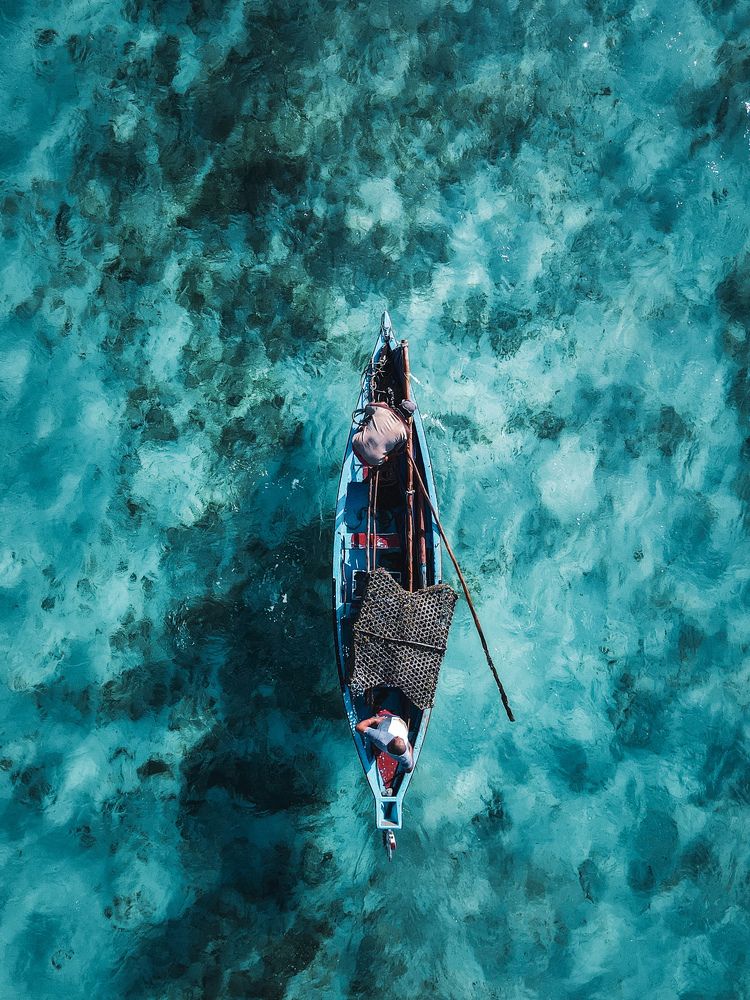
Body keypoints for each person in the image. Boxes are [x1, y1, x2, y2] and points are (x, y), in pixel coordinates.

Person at [352, 399, 416, 468]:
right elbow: (396, 450)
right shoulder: (406, 433)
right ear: (409, 416)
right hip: (371, 462)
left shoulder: (383, 408)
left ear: (400, 405)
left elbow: (367, 408)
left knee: (365, 426)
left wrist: (380, 404)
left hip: (356, 445)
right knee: (386, 455)